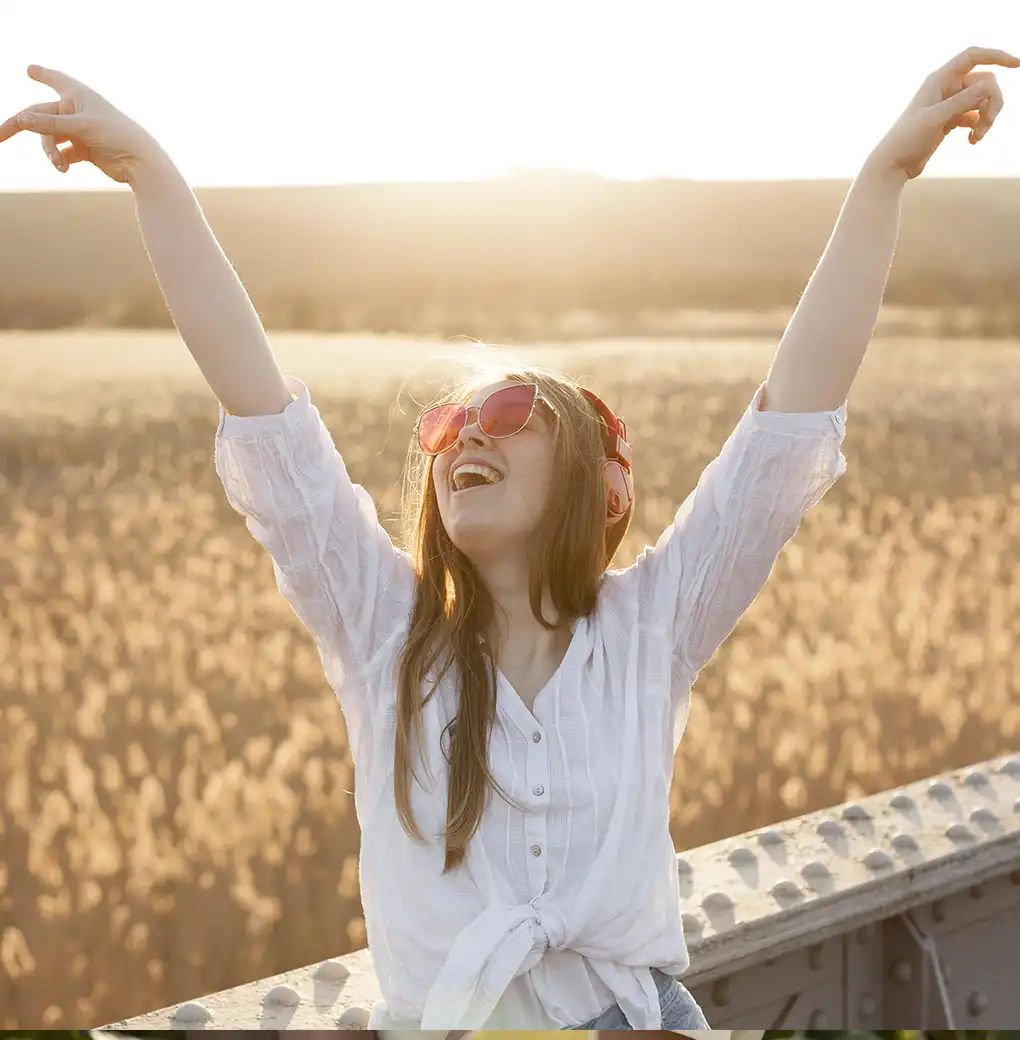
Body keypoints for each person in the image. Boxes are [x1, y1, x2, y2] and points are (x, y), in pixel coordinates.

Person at [4, 45, 1014, 1033]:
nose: (464, 436)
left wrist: (886, 175)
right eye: (445, 427)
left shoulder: (654, 623)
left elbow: (792, 420)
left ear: (596, 478)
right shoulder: (381, 629)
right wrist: (154, 176)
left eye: (508, 409)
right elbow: (262, 408)